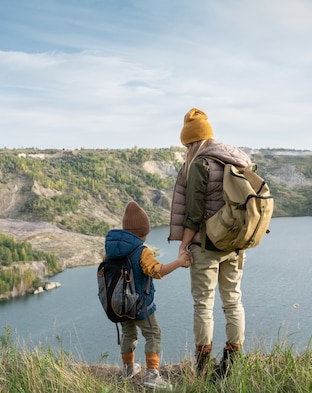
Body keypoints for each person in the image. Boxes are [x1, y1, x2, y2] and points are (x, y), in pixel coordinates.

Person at [168, 108, 252, 379]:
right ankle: (231, 362)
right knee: (233, 301)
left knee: (204, 306)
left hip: (207, 246)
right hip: (235, 243)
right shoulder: (234, 159)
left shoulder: (200, 165)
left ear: (192, 142)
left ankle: (203, 368)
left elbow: (193, 215)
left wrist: (183, 246)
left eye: (187, 145)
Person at [105, 200, 191, 390]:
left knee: (128, 333)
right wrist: (179, 262)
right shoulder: (142, 250)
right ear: (142, 233)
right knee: (153, 334)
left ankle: (128, 370)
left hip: (120, 305)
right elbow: (157, 271)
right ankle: (152, 375)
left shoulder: (111, 250)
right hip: (141, 305)